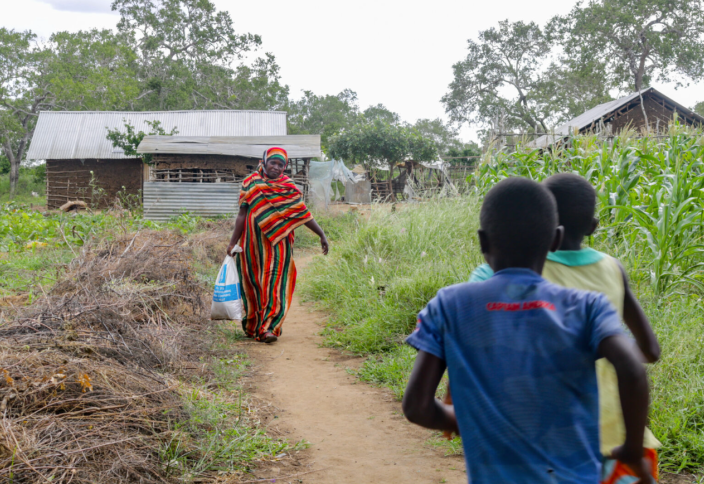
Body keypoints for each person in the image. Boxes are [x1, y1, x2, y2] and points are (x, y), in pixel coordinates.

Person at [402, 177, 653, 483]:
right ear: (555, 241)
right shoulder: (588, 306)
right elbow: (633, 368)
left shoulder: (449, 304)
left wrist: (465, 418)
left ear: (482, 241)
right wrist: (631, 448)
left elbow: (416, 407)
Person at [226, 147, 329, 343]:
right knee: (254, 282)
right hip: (251, 243)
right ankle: (254, 325)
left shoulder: (288, 186)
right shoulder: (250, 183)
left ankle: (269, 327)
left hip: (279, 243)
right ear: (263, 162)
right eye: (273, 162)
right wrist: (233, 242)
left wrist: (321, 234)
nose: (276, 167)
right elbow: (241, 215)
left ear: (285, 167)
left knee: (275, 282)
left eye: (281, 164)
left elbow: (303, 213)